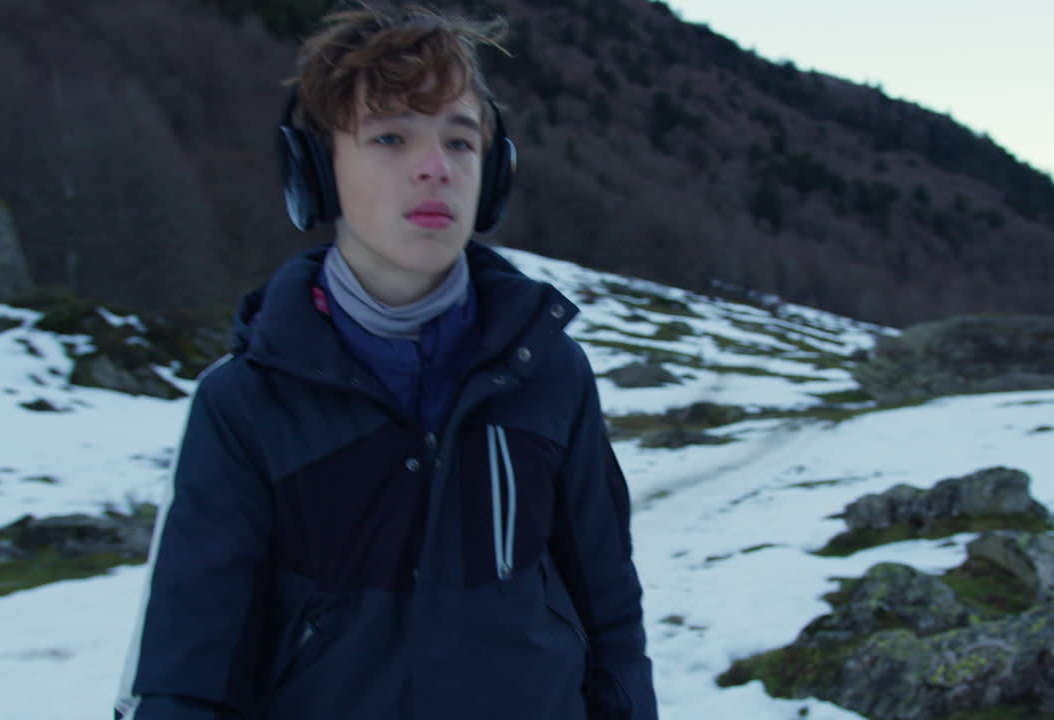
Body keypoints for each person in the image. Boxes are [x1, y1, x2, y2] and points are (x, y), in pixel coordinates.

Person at [114, 3, 657, 718]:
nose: (435, 169)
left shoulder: (550, 370)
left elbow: (610, 613)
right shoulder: (244, 404)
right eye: (391, 137)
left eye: (460, 144)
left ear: (492, 175)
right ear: (317, 172)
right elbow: (188, 679)